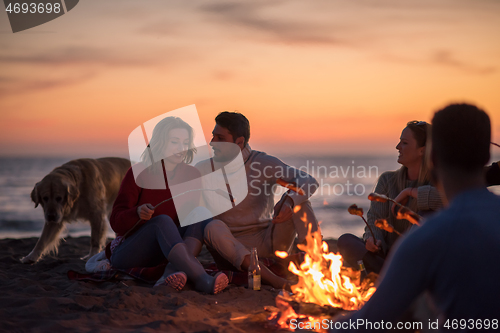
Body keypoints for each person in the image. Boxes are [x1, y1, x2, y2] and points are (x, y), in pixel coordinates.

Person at [331, 103, 500, 332]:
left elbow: (369, 321)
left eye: (404, 142)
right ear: (486, 156)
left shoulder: (429, 237)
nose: (398, 146)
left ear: (431, 156)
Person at [196, 111, 321, 289]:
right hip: (230, 246)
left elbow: (309, 180)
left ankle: (318, 265)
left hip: (268, 241)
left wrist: (290, 201)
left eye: (220, 138)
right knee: (210, 226)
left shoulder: (262, 163)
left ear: (239, 142)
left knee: (301, 202)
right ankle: (276, 281)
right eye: (213, 136)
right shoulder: (203, 169)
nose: (212, 142)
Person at [109, 116, 228, 294]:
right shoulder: (138, 172)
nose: (181, 148)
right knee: (162, 221)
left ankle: (170, 273)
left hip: (167, 251)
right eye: (175, 142)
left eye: (185, 142)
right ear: (160, 143)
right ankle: (202, 279)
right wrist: (137, 213)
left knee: (200, 213)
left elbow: (187, 222)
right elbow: (116, 222)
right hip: (130, 252)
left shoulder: (192, 175)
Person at [337, 121, 442, 274]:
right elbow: (374, 218)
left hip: (418, 261)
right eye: (399, 141)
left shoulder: (439, 182)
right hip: (385, 259)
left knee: (423, 217)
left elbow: (451, 199)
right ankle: (384, 275)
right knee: (346, 241)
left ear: (422, 150)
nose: (397, 147)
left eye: (404, 143)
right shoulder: (388, 180)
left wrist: (410, 191)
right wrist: (373, 239)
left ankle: (383, 277)